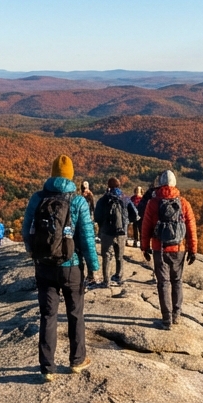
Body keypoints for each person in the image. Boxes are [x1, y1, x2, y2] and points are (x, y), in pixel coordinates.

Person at [22, 155, 100, 380]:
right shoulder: (77, 201)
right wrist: (94, 268)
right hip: (71, 266)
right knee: (75, 313)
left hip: (44, 266)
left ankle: (47, 367)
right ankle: (77, 360)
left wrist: (32, 252)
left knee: (48, 315)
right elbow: (86, 237)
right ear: (71, 175)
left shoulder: (37, 198)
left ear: (53, 173)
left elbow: (27, 229)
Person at [140, 170, 198, 329]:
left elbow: (145, 227)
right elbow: (191, 228)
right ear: (174, 183)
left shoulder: (153, 203)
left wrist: (144, 247)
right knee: (177, 281)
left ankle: (167, 320)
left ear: (160, 183)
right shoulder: (183, 202)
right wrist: (193, 249)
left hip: (160, 248)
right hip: (178, 248)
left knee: (163, 283)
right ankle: (176, 315)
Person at [93, 177, 141, 287]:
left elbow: (97, 216)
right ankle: (119, 277)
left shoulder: (103, 199)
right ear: (119, 185)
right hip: (121, 231)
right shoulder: (125, 198)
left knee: (106, 256)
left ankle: (106, 280)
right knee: (119, 256)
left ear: (108, 186)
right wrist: (127, 222)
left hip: (106, 231)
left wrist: (101, 226)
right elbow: (135, 215)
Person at [79, 181, 98, 286]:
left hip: (84, 223)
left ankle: (87, 276)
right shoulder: (89, 196)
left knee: (83, 251)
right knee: (89, 250)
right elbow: (93, 209)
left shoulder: (81, 197)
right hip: (88, 223)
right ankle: (90, 276)